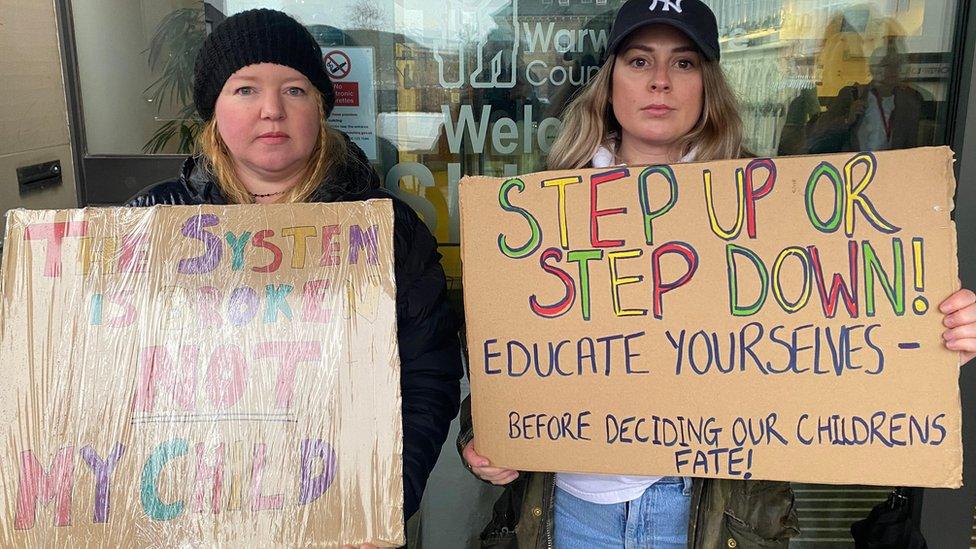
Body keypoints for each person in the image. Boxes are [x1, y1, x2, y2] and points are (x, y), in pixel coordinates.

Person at [458, 1, 976, 547]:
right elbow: (510, 354)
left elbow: (833, 331)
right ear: (609, 81)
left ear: (708, 85)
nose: (660, 81)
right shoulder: (541, 210)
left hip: (707, 516)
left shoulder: (771, 207)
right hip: (571, 511)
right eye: (639, 61)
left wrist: (932, 333)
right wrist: (484, 438)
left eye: (683, 64)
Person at [127, 9, 463, 546]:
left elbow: (427, 378)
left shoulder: (383, 230)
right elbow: (108, 378)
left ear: (321, 108)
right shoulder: (152, 224)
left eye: (295, 90)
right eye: (244, 90)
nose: (271, 110)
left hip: (347, 515)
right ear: (212, 109)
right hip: (187, 512)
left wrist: (387, 496)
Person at [807, 41, 925, 153]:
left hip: (891, 168)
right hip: (853, 167)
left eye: (897, 65)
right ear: (872, 69)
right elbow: (819, 131)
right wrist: (847, 119)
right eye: (886, 65)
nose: (893, 70)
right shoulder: (853, 95)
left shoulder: (909, 101)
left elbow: (912, 144)